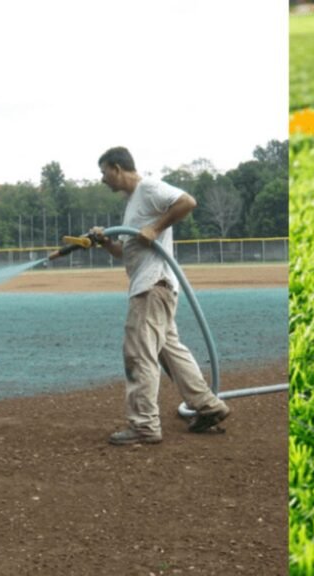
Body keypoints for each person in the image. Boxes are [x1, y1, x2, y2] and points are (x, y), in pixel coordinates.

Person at [91, 146, 230, 446]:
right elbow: (126, 250)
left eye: (104, 173)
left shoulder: (149, 188)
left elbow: (187, 202)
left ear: (117, 168)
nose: (102, 179)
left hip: (151, 288)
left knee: (139, 353)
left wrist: (155, 227)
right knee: (171, 352)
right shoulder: (132, 203)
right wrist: (104, 242)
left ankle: (144, 426)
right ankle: (209, 406)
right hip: (159, 287)